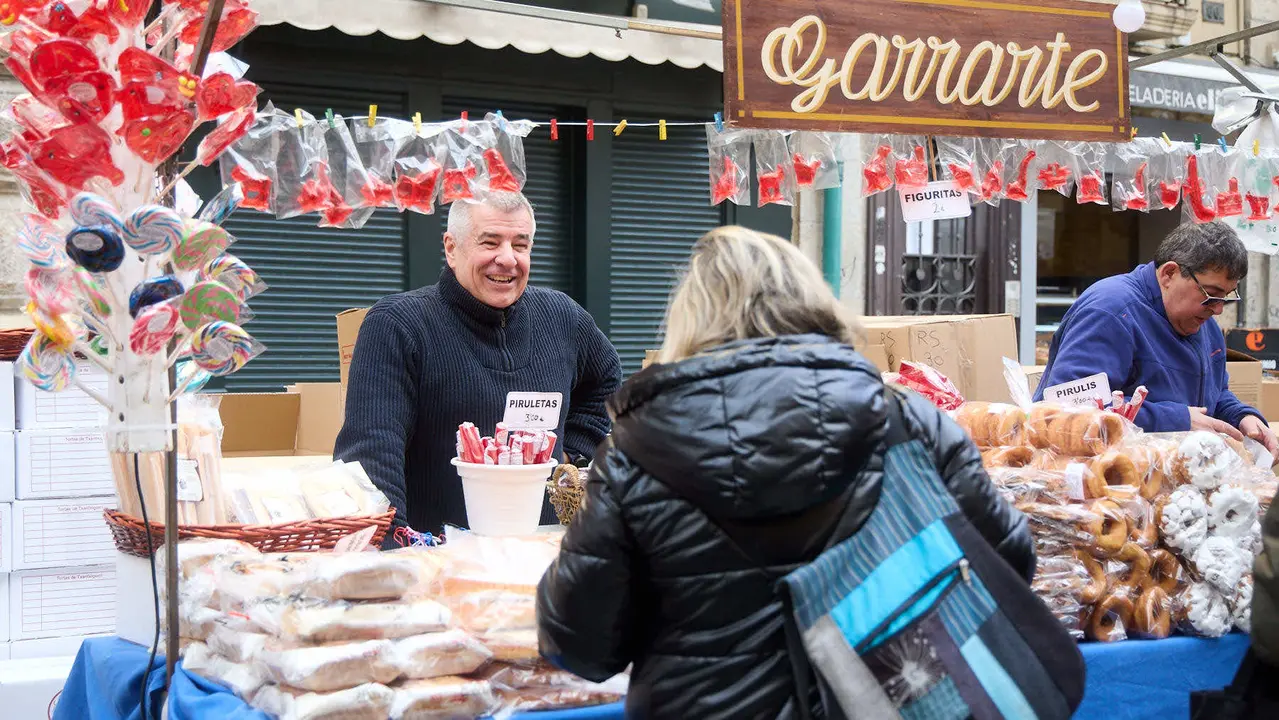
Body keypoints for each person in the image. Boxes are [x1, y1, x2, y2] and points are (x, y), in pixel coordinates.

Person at [536, 226, 1034, 718]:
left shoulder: (635, 449)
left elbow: (580, 643)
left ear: (689, 319)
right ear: (812, 301)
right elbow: (1010, 558)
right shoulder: (907, 420)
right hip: (887, 700)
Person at [334, 191, 621, 541]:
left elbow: (606, 381)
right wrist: (395, 551)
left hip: (541, 553)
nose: (507, 259)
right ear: (451, 248)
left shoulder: (562, 317)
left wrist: (572, 454)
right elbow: (371, 455)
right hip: (441, 565)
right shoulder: (399, 325)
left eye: (520, 244)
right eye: (490, 242)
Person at [1034, 222, 1277, 455]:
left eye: (1225, 298)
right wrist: (1175, 420)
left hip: (1168, 476)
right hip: (1102, 481)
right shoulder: (1111, 312)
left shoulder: (1204, 325)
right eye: (1211, 295)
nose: (1218, 310)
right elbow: (1068, 409)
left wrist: (1242, 417)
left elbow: (1214, 394)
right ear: (1169, 274)